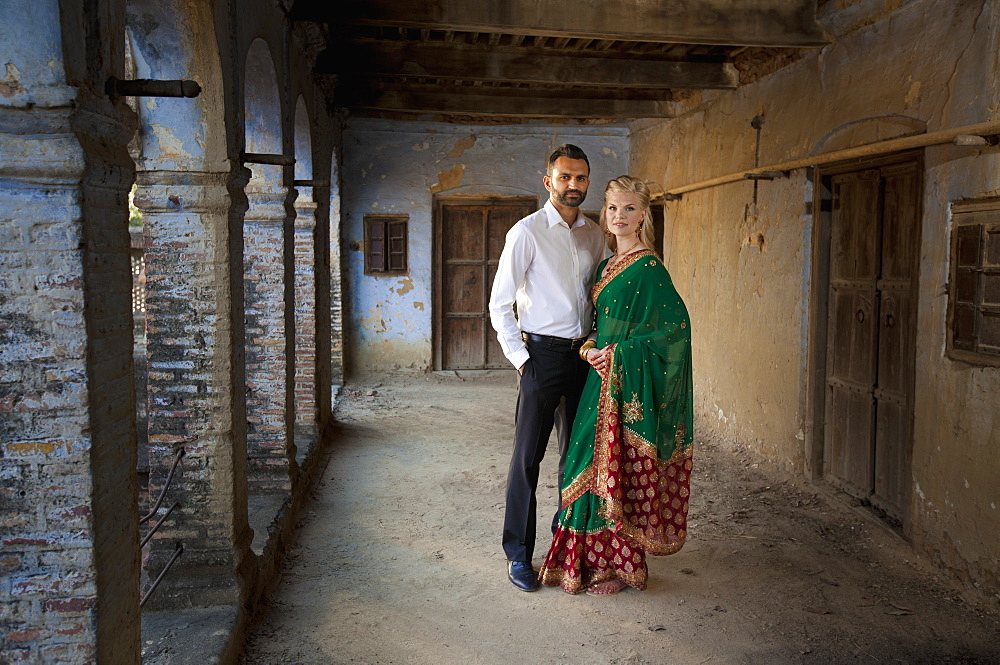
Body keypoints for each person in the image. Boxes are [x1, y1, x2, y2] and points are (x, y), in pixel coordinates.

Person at [537, 175, 694, 595]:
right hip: (597, 381)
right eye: (612, 208)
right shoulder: (606, 265)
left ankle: (615, 566)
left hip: (626, 386)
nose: (619, 216)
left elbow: (673, 332)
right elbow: (597, 329)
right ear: (604, 213)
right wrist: (590, 350)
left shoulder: (649, 268)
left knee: (614, 468)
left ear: (643, 214)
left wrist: (621, 355)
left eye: (628, 208)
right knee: (582, 463)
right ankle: (580, 563)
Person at [489, 144, 607, 592]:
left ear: (587, 182)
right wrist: (522, 362)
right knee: (527, 460)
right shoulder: (527, 232)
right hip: (539, 357)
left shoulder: (595, 235)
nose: (573, 186)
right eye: (564, 178)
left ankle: (566, 550)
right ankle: (518, 555)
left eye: (580, 178)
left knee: (576, 461)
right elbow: (500, 304)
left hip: (583, 359)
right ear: (548, 182)